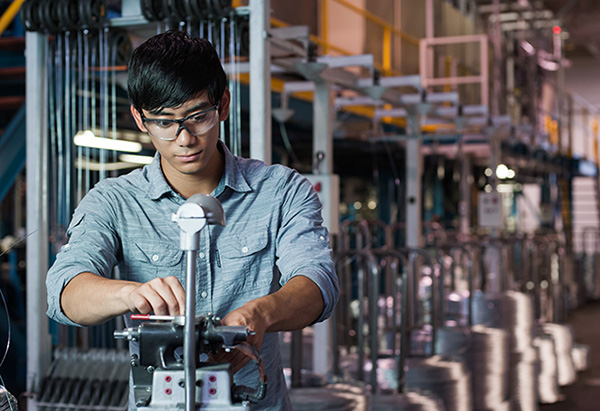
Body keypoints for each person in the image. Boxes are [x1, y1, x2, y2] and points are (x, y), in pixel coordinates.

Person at [46, 30, 339, 410]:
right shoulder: (113, 201)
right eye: (164, 123)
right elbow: (62, 293)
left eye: (198, 117)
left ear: (224, 105)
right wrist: (129, 294)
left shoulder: (281, 191)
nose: (184, 138)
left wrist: (260, 314)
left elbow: (319, 284)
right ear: (140, 118)